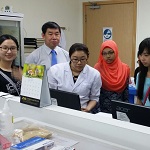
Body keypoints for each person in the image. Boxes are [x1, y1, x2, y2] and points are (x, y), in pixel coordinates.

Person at [48, 43, 102, 113]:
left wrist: (88, 109)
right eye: (75, 59)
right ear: (70, 57)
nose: (79, 63)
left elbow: (94, 97)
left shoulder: (94, 74)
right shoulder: (55, 70)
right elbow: (52, 94)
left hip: (82, 111)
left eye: (82, 59)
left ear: (87, 57)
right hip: (60, 110)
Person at [94, 40, 130, 113]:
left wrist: (126, 110)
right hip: (102, 109)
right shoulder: (98, 68)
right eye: (104, 53)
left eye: (111, 52)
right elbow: (95, 92)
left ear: (116, 52)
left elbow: (126, 92)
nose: (108, 56)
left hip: (120, 109)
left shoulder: (125, 68)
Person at [136, 37, 150, 106]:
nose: (142, 58)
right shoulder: (140, 75)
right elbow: (139, 100)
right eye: (141, 55)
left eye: (146, 55)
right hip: (144, 115)